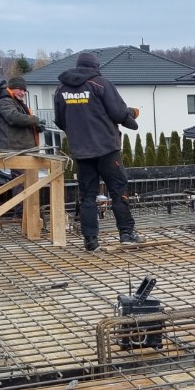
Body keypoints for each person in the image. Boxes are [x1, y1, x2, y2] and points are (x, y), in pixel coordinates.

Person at [53, 51, 142, 251]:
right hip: (106, 149)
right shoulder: (100, 84)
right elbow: (118, 112)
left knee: (88, 197)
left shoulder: (61, 89)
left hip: (81, 152)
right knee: (118, 191)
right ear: (95, 66)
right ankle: (126, 234)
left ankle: (91, 241)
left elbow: (59, 120)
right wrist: (130, 115)